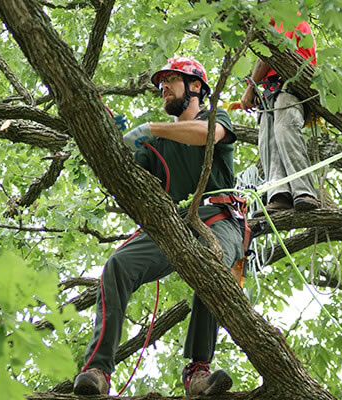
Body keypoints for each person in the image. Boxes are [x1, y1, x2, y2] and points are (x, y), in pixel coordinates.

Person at [72, 56, 244, 396]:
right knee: (118, 265)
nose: (162, 87)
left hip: (217, 218)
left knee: (214, 260)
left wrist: (149, 129)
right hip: (173, 225)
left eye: (170, 80)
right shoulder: (155, 147)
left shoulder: (213, 117)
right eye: (160, 82)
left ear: (195, 86)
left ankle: (197, 370)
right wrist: (107, 134)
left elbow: (206, 135)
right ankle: (97, 369)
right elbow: (125, 173)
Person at [240, 14, 321, 215]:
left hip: (289, 86)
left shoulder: (288, 17)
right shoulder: (275, 21)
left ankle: (304, 192)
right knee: (267, 143)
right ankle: (279, 195)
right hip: (271, 91)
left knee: (285, 132)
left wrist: (251, 86)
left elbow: (272, 52)